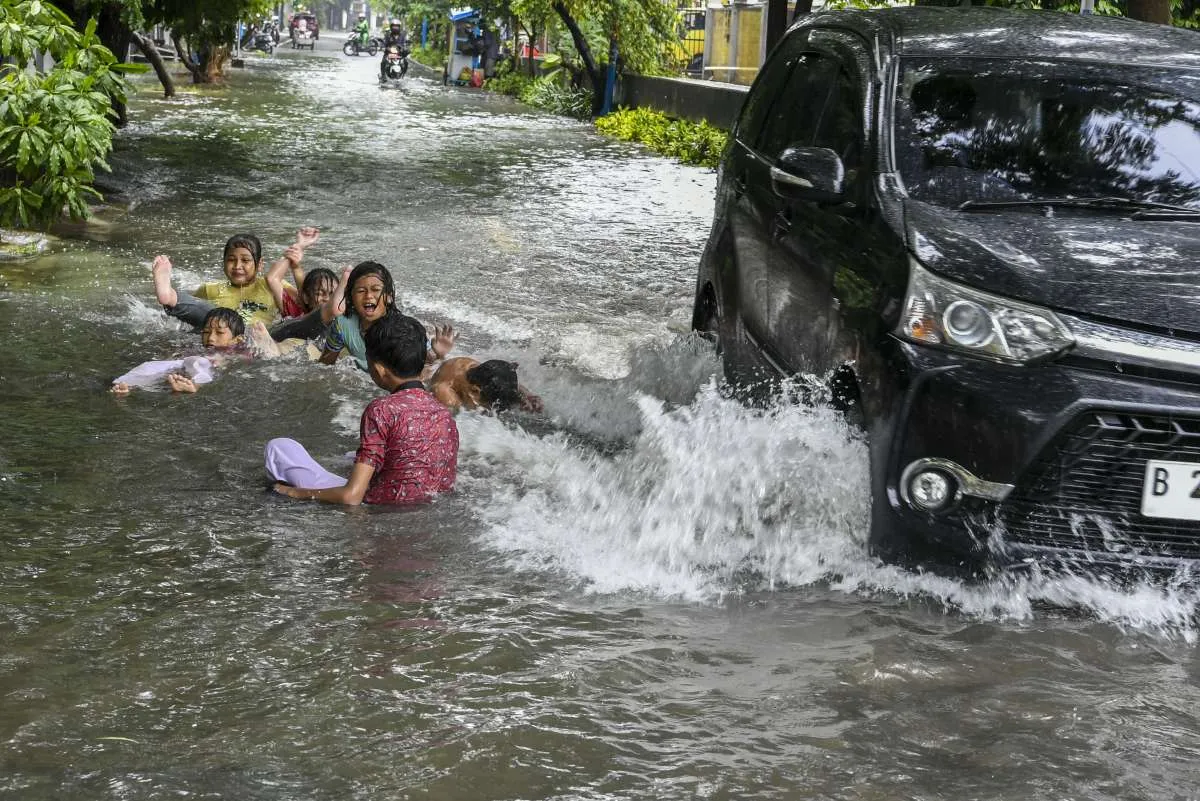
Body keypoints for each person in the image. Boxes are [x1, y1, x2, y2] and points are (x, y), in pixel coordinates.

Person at [267, 311, 459, 506]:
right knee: (354, 456)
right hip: (422, 508)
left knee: (279, 448)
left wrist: (293, 492)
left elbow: (352, 497)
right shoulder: (443, 412)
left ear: (379, 369)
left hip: (379, 508)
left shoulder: (382, 410)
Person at [153, 228, 320, 330]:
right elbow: (189, 314)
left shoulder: (270, 286)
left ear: (260, 264)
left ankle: (170, 297)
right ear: (224, 263)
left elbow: (305, 303)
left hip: (257, 337)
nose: (237, 266)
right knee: (211, 315)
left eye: (245, 260)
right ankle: (169, 296)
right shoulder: (210, 289)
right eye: (231, 260)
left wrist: (298, 248)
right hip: (219, 333)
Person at [320, 261, 455, 372]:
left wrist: (438, 354)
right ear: (350, 297)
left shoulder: (403, 328)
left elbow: (424, 365)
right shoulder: (342, 325)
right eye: (361, 291)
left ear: (389, 296)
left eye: (376, 290)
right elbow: (324, 365)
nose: (368, 296)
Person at [110, 308, 277, 395]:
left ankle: (193, 386)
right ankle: (127, 385)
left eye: (219, 333)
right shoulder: (196, 350)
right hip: (186, 366)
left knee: (201, 365)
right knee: (154, 367)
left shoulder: (238, 351)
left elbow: (268, 362)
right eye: (205, 332)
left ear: (237, 339)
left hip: (205, 368)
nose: (210, 338)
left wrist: (264, 346)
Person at [429, 357, 543, 413]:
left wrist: (526, 395)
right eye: (488, 405)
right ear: (475, 391)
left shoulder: (479, 371)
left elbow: (501, 379)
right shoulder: (446, 395)